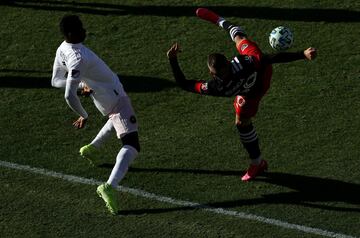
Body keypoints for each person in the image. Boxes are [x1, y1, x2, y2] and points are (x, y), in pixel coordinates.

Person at [167, 10, 317, 181]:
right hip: (249, 91)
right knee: (241, 122)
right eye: (221, 75)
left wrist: (302, 54)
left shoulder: (241, 65)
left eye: (225, 73)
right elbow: (185, 84)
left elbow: (270, 59)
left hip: (261, 76)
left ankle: (220, 20)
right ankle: (257, 162)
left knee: (240, 39)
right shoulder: (217, 85)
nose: (224, 76)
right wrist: (172, 60)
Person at [52, 15, 140, 215]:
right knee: (132, 144)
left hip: (104, 97)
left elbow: (56, 80)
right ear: (72, 34)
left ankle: (92, 148)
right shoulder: (78, 57)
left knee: (116, 118)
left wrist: (83, 84)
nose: (85, 30)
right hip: (113, 96)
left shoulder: (62, 49)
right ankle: (109, 186)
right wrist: (84, 114)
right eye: (81, 28)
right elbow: (68, 94)